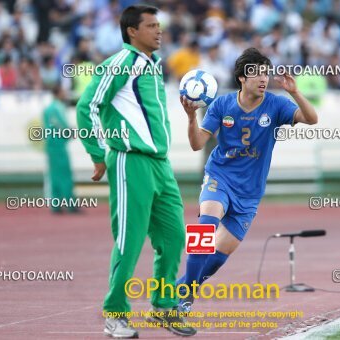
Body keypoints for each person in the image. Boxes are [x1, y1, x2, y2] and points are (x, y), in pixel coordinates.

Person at [76, 5, 196, 338]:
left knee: (174, 238)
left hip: (161, 164)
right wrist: (98, 154)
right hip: (130, 162)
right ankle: (115, 315)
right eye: (152, 26)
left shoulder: (153, 66)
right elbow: (88, 107)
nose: (159, 31)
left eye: (160, 25)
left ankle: (163, 306)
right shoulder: (120, 63)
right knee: (129, 242)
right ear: (132, 31)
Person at [177, 48, 318, 311]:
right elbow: (197, 144)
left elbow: (312, 119)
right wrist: (190, 117)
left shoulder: (276, 104)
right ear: (242, 77)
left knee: (218, 258)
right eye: (256, 73)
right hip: (220, 176)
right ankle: (185, 300)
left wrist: (294, 92)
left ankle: (175, 292)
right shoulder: (221, 105)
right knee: (205, 226)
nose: (263, 78)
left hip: (250, 193)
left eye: (266, 72)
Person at [43, 84, 77, 214]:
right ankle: (69, 203)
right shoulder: (57, 108)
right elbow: (62, 125)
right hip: (59, 145)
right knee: (65, 174)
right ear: (58, 93)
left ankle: (56, 204)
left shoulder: (48, 109)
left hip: (51, 144)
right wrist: (71, 132)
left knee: (54, 175)